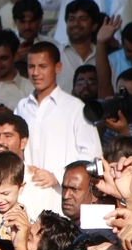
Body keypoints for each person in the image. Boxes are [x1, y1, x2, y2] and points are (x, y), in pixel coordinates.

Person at [14, 41, 101, 217]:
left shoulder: (75, 107)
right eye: (31, 66)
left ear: (57, 67)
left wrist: (57, 175)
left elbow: (93, 155)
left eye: (42, 66)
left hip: (61, 197)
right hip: (28, 196)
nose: (36, 73)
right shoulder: (22, 107)